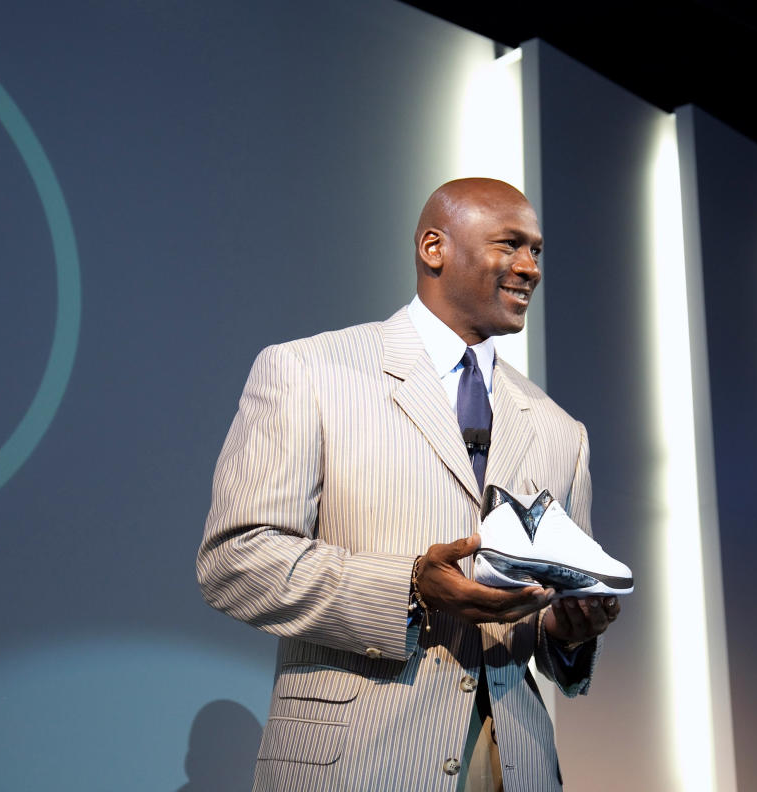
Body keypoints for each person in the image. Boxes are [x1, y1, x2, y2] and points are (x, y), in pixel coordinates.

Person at [198, 178, 621, 791]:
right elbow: (235, 561)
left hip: (516, 765)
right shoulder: (309, 371)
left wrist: (565, 631)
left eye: (538, 252)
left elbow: (548, 614)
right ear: (433, 247)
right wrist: (411, 586)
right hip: (357, 765)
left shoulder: (560, 430)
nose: (529, 268)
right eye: (511, 245)